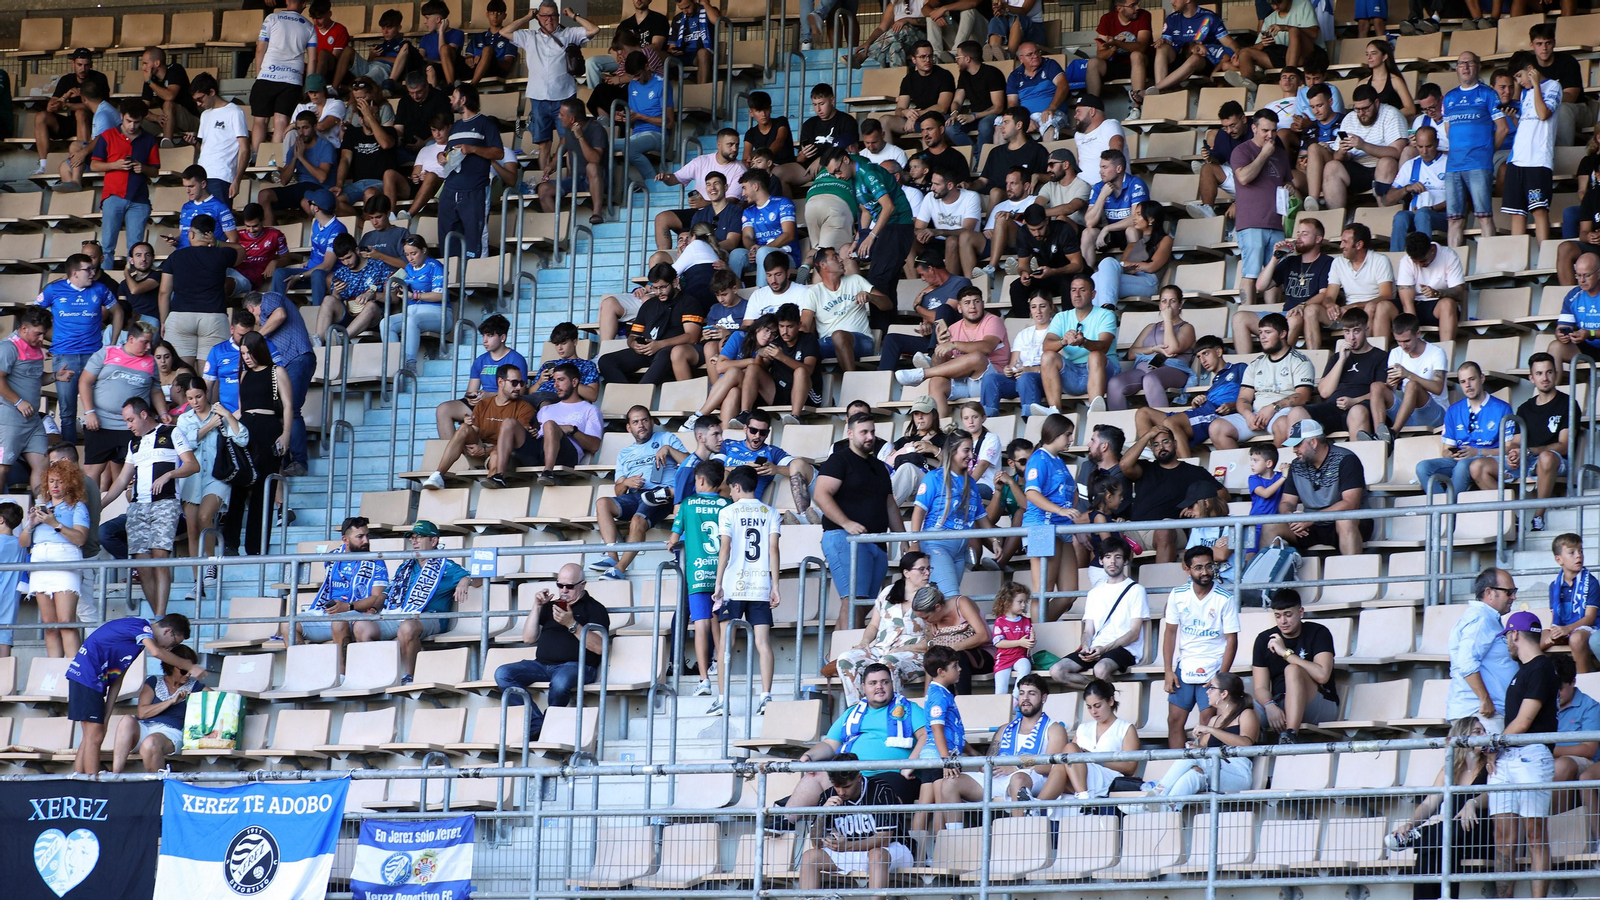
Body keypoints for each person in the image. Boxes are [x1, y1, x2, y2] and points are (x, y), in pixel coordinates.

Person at [787, 663, 927, 817]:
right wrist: (809, 756)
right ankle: (785, 822)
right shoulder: (852, 713)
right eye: (873, 683)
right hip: (851, 776)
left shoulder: (910, 709)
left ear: (891, 684)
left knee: (881, 791)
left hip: (892, 774)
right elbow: (830, 744)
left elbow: (927, 735)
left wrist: (910, 764)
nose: (879, 687)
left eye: (885, 682)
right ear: (863, 687)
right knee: (814, 776)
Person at [66, 613, 198, 775]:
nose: (170, 649)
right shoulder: (141, 627)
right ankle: (91, 783)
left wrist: (107, 714)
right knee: (95, 737)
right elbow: (156, 652)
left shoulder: (138, 642)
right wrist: (189, 666)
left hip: (91, 680)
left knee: (91, 735)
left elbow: (118, 677)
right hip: (87, 677)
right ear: (168, 631)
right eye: (174, 643)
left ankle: (79, 778)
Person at [103, 396, 199, 617]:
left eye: (130, 420)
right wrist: (100, 505)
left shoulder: (171, 432)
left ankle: (161, 616)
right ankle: (158, 617)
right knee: (143, 565)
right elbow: (121, 480)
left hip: (165, 503)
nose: (128, 426)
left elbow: (193, 465)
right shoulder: (133, 443)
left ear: (144, 414)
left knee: (159, 559)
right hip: (138, 506)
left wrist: (170, 474)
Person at [496, 562, 610, 739]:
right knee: (503, 673)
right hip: (542, 665)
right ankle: (537, 723)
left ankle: (549, 724)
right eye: (560, 585)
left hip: (578, 666)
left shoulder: (595, 608)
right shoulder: (551, 606)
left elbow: (600, 647)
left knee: (560, 682)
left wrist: (571, 624)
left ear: (582, 585)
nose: (564, 590)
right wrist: (537, 606)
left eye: (569, 586)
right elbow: (528, 638)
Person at [1390, 716, 1496, 900]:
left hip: (1480, 833)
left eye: (1484, 731)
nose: (1484, 735)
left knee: (1438, 837)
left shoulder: (1491, 763)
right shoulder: (1450, 768)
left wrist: (1472, 802)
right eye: (1477, 732)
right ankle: (1420, 837)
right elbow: (1429, 803)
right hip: (1451, 836)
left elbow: (1495, 794)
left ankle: (1420, 836)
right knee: (1430, 849)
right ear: (1462, 736)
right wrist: (1410, 824)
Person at [1492, 611, 1557, 900]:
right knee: (1503, 837)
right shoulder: (1525, 670)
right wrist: (1496, 748)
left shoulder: (1541, 667)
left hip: (1530, 755)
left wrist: (1491, 746)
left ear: (1515, 634)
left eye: (1506, 636)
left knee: (1535, 834)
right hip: (1509, 756)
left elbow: (1523, 721)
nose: (1507, 642)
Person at [817, 414, 903, 630]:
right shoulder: (839, 460)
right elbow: (820, 494)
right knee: (853, 602)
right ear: (850, 433)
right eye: (864, 432)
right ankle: (849, 651)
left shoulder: (879, 467)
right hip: (846, 538)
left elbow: (890, 505)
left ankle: (835, 651)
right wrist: (846, 523)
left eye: (872, 432)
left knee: (861, 606)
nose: (870, 437)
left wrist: (904, 539)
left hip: (876, 543)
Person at [708, 464, 782, 714]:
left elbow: (725, 549)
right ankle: (766, 697)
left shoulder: (728, 512)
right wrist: (775, 585)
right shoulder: (771, 512)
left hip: (733, 586)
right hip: (760, 585)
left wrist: (718, 583)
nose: (730, 493)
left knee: (725, 643)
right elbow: (773, 550)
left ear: (737, 487)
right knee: (763, 642)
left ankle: (722, 699)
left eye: (731, 489)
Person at [366, 520, 477, 681]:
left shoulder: (446, 566)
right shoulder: (406, 566)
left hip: (430, 616)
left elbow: (477, 579)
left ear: (434, 541)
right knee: (362, 626)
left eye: (420, 537)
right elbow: (386, 593)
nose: (414, 541)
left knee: (407, 627)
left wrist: (466, 580)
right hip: (398, 615)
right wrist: (373, 610)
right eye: (413, 538)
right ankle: (374, 675)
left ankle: (410, 676)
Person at [1137, 672, 1259, 811]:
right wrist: (1194, 746)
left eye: (1211, 688)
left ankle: (1158, 791)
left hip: (1238, 774)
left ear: (1224, 694)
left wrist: (1211, 730)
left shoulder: (1246, 714)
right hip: (1215, 770)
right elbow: (1203, 750)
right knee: (1194, 774)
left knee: (1193, 758)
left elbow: (1246, 743)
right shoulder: (1214, 720)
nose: (1207, 692)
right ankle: (1168, 808)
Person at [797, 753, 915, 895]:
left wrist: (847, 846)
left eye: (846, 786)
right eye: (837, 786)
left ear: (859, 777)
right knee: (810, 857)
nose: (841, 792)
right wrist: (822, 813)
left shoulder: (881, 790)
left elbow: (884, 839)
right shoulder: (828, 796)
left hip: (893, 850)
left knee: (877, 855)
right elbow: (816, 843)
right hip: (850, 851)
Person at [590, 407, 687, 580]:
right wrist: (626, 482)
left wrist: (668, 449)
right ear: (629, 428)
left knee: (637, 519)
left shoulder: (666, 438)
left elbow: (691, 463)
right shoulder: (624, 453)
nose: (641, 425)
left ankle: (619, 569)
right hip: (635, 494)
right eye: (635, 422)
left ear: (652, 422)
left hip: (661, 494)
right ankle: (612, 556)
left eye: (644, 420)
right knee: (602, 503)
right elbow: (619, 490)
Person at [175, 374, 247, 600]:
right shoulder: (184, 419)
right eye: (190, 398)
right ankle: (197, 583)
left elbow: (243, 438)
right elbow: (185, 444)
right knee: (192, 528)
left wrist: (227, 416)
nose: (195, 402)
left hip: (217, 476)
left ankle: (211, 563)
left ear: (206, 393)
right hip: (192, 478)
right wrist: (209, 426)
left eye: (198, 396)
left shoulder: (220, 413)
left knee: (205, 516)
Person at [503, 2, 597, 173]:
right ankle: (545, 180)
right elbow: (504, 32)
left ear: (558, 16)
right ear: (538, 17)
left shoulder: (569, 34)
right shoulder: (529, 36)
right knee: (543, 144)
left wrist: (574, 16)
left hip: (564, 98)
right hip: (538, 98)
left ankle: (570, 181)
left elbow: (594, 30)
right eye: (545, 15)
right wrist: (527, 17)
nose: (549, 19)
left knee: (570, 142)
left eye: (553, 15)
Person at [280, 516, 386, 663]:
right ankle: (303, 669)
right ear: (345, 540)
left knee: (339, 620)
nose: (366, 541)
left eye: (367, 536)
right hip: (327, 614)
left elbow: (377, 597)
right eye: (360, 537)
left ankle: (342, 673)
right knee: (287, 624)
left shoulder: (376, 561)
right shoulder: (332, 558)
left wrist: (348, 606)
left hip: (356, 614)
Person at [1162, 545, 1239, 747]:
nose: (1205, 572)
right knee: (1174, 721)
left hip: (1213, 667)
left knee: (1207, 723)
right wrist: (1168, 670)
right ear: (1187, 569)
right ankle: (1179, 764)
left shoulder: (1225, 598)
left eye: (1209, 566)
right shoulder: (1177, 595)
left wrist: (1221, 677)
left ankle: (1203, 765)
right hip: (1185, 665)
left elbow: (1232, 640)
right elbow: (1170, 632)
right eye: (1198, 568)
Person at [37, 254, 118, 446]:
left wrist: (112, 345)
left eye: (93, 268)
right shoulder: (54, 289)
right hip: (64, 356)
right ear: (74, 273)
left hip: (94, 356)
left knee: (99, 407)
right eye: (88, 269)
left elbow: (118, 312)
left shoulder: (100, 288)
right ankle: (69, 455)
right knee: (67, 411)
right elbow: (34, 314)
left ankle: (97, 451)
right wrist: (39, 342)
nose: (93, 272)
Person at [1120, 425, 1226, 563]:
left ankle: (1164, 577)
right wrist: (1147, 435)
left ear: (1175, 444)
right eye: (1156, 444)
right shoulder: (1145, 468)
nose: (1161, 447)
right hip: (1136, 530)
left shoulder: (1194, 472)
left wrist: (1195, 505)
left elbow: (1222, 494)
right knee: (1106, 532)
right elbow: (1124, 465)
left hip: (1171, 532)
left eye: (1165, 442)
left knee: (1164, 529)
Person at [80, 322, 165, 495]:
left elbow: (156, 391)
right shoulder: (107, 353)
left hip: (133, 427)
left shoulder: (150, 362)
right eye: (145, 342)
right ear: (131, 339)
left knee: (133, 473)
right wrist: (90, 412)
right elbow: (85, 382)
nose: (149, 347)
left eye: (151, 343)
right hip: (101, 423)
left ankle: (130, 509)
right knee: (92, 472)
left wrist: (163, 412)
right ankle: (91, 509)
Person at [1051, 538, 1148, 689]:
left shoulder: (1136, 590)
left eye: (1118, 557)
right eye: (1108, 557)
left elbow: (1134, 633)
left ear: (1125, 561)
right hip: (1096, 648)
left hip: (1125, 649)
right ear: (1101, 561)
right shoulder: (1094, 593)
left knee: (1100, 669)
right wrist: (1086, 646)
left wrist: (1104, 649)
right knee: (1057, 671)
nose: (1112, 562)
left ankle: (1106, 694)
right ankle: (1100, 692)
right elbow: (1088, 630)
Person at [1209, 312, 1315, 449]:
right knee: (1217, 427)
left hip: (1282, 413)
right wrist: (1248, 415)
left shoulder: (1300, 361)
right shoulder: (1255, 364)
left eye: (1268, 332)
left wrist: (1273, 408)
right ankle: (1245, 463)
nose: (1262, 337)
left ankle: (1278, 463)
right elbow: (1243, 398)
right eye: (1260, 333)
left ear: (1282, 334)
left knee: (1283, 424)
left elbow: (1303, 396)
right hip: (1255, 415)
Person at [422, 361, 533, 491]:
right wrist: (468, 426)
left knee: (496, 454)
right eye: (514, 383)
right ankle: (438, 475)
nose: (519, 387)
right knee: (464, 428)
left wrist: (485, 451)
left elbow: (516, 444)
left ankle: (493, 482)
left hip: (504, 454)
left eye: (521, 383)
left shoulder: (525, 408)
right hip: (480, 452)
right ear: (500, 382)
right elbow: (474, 431)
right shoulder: (483, 404)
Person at [669, 458, 729, 698]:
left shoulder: (688, 503)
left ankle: (704, 680)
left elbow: (674, 538)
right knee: (719, 622)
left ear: (701, 480)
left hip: (697, 573)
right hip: (722, 574)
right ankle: (719, 667)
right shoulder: (727, 504)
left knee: (701, 624)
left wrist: (671, 543)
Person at [21, 458, 93, 659]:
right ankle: (53, 670)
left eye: (60, 481)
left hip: (65, 563)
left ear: (70, 483)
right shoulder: (42, 507)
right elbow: (23, 543)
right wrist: (31, 525)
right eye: (51, 481)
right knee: (49, 624)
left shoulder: (77, 507)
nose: (55, 486)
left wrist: (55, 524)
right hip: (40, 564)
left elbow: (80, 538)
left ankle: (74, 670)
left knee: (66, 622)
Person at [1249, 588, 1337, 743]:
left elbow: (1322, 675)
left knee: (1292, 669)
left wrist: (1286, 653)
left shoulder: (1318, 632)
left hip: (1319, 703)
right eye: (1278, 616)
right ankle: (1239, 750)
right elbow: (1260, 687)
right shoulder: (1264, 639)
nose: (1283, 621)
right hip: (1278, 704)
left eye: (1288, 615)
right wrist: (1269, 705)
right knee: (1240, 703)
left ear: (1301, 612)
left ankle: (1290, 735)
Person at [598, 264, 707, 386]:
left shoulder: (688, 303)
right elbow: (633, 335)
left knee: (664, 354)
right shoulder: (649, 305)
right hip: (648, 350)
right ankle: (626, 393)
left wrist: (660, 344)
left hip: (671, 350)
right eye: (655, 288)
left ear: (675, 282)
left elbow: (692, 337)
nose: (659, 292)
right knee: (606, 361)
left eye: (663, 287)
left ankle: (641, 393)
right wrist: (634, 344)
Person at [1415, 362, 1516, 494]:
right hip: (1459, 461)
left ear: (1482, 378)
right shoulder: (1453, 410)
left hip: (1486, 460)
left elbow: (1509, 448)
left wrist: (1478, 452)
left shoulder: (1502, 408)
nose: (1467, 385)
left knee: (1463, 465)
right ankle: (1441, 504)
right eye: (1463, 382)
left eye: (1472, 379)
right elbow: (1445, 451)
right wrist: (1453, 453)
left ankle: (1446, 506)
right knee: (1423, 467)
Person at [909, 433, 986, 596]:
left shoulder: (971, 482)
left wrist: (995, 541)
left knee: (942, 599)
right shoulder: (934, 477)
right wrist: (915, 542)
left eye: (972, 451)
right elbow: (918, 512)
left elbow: (981, 516)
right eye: (966, 450)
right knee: (951, 596)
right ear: (952, 451)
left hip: (960, 551)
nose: (971, 456)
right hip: (936, 545)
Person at [1308, 85, 1406, 212]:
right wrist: (1342, 152)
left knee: (1386, 162)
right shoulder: (1350, 118)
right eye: (1357, 109)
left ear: (1376, 103)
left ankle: (1385, 213)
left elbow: (1397, 152)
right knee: (1332, 166)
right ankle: (1335, 217)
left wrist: (1364, 146)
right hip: (1357, 167)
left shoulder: (1391, 114)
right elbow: (1337, 157)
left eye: (1365, 108)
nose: (1361, 113)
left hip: (1384, 167)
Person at [1442, 52, 1505, 248]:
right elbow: (1448, 130)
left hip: (1478, 164)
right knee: (1454, 219)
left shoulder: (1488, 94)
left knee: (1483, 216)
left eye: (1470, 63)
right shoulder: (1449, 97)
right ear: (1457, 68)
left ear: (1478, 66)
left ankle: (1489, 260)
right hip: (1453, 166)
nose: (1466, 67)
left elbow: (1503, 128)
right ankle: (1454, 263)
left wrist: (1487, 152)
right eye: (1462, 63)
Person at [110, 642, 203, 773]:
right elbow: (142, 713)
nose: (187, 675)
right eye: (184, 670)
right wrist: (171, 701)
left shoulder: (196, 687)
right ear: (171, 666)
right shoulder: (154, 681)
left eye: (190, 671)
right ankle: (115, 775)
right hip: (145, 727)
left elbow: (220, 699)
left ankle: (156, 783)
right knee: (126, 720)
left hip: (171, 732)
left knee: (151, 743)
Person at [1232, 111, 1294, 306]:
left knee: (1275, 276)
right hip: (1251, 222)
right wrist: (1264, 154)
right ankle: (1246, 315)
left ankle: (1273, 317)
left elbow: (1286, 182)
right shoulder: (1242, 150)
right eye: (1265, 130)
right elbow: (1244, 177)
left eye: (1273, 131)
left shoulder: (1280, 153)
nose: (1270, 135)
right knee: (1250, 273)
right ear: (1254, 128)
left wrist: (1289, 187)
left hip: (1275, 222)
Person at [90, 100, 161, 261]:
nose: (132, 126)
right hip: (113, 195)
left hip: (139, 199)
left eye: (137, 122)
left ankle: (132, 276)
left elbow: (155, 171)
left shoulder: (149, 140)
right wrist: (114, 165)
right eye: (129, 121)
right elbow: (93, 165)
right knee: (107, 247)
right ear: (121, 116)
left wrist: (143, 168)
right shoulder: (108, 136)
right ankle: (107, 277)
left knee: (136, 249)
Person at [1038, 275, 1117, 414]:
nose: (1077, 294)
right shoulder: (1061, 317)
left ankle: (1095, 410)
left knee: (1095, 355)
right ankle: (1055, 412)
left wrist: (1083, 342)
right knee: (1048, 356)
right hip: (1073, 373)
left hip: (1103, 371)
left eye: (1082, 290)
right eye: (1073, 290)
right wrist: (1063, 341)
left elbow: (1104, 346)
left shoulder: (1105, 315)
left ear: (1093, 294)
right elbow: (1046, 346)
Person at [1504, 50, 1560, 243]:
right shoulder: (1525, 94)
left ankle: (1543, 254)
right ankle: (1517, 257)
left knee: (1539, 209)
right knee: (1516, 212)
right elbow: (1525, 124)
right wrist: (1513, 117)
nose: (1519, 82)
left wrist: (1536, 85)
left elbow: (1543, 114)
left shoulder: (1553, 86)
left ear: (1531, 69)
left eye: (1520, 76)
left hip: (1538, 160)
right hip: (1517, 158)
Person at [1107, 283, 1190, 411]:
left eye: (1172, 301)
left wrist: (1167, 320)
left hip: (1173, 370)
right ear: (1160, 304)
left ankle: (1163, 422)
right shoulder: (1151, 327)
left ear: (1180, 304)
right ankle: (1117, 423)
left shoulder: (1186, 327)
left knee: (1150, 379)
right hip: (1144, 370)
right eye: (1164, 301)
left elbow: (1171, 349)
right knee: (1115, 383)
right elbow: (1131, 353)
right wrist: (1152, 349)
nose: (1167, 305)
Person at [1057, 678, 1141, 800]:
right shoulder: (1082, 728)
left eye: (1097, 706)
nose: (1093, 712)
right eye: (1089, 707)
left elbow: (1130, 767)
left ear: (1111, 701)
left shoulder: (1125, 728)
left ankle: (1041, 803)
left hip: (1108, 779)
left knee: (1069, 750)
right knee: (1062, 763)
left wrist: (1094, 758)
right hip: (1082, 777)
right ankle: (1038, 803)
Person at [31, 48, 109, 176]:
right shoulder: (66, 80)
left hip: (91, 123)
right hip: (69, 123)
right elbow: (50, 108)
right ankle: (43, 166)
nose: (83, 69)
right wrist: (65, 96)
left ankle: (82, 162)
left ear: (91, 65)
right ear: (73, 63)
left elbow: (99, 106)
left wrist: (66, 105)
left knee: (80, 113)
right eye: (79, 65)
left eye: (86, 65)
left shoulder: (99, 78)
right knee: (41, 116)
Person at [0, 308, 52, 496]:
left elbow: (35, 378)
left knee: (43, 464)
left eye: (44, 334)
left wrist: (56, 376)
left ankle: (41, 508)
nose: (41, 338)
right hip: (10, 418)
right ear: (24, 328)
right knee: (2, 467)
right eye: (38, 333)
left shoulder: (36, 347)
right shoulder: (8, 348)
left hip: (32, 420)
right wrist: (18, 401)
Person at [1517, 353, 1571, 532]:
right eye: (1539, 373)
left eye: (1549, 372)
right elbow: (1515, 443)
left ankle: (1538, 516)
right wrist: (1514, 453)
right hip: (1527, 459)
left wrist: (1532, 451)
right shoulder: (1524, 408)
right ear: (1531, 378)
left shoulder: (1568, 403)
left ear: (1556, 374)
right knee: (1479, 467)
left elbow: (1564, 446)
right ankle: (1513, 519)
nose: (1545, 378)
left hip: (1557, 461)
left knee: (1546, 457)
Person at [981, 290, 1052, 416]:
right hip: (1022, 378)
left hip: (1046, 379)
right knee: (990, 379)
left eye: (1042, 306)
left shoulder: (1057, 330)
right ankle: (987, 419)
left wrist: (1030, 370)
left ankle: (1031, 420)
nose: (1038, 311)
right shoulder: (1023, 334)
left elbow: (1059, 365)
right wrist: (1009, 370)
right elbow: (1013, 363)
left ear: (1051, 308)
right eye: (1034, 307)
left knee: (1026, 378)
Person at [1007, 204, 1084, 320]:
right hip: (1046, 275)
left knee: (1068, 284)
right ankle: (1025, 324)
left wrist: (1053, 271)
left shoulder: (1063, 230)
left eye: (1040, 228)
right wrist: (1024, 274)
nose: (1037, 233)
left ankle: (1069, 324)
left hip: (1069, 275)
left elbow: (1078, 265)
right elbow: (1023, 265)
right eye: (1032, 230)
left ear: (1047, 220)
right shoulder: (1024, 233)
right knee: (1016, 286)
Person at [1149, 0, 1236, 96]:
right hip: (1180, 57)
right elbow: (1166, 41)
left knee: (1194, 57)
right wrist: (1162, 41)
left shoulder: (1209, 17)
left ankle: (1156, 89)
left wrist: (1238, 52)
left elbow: (1228, 42)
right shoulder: (1172, 19)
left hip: (1204, 60)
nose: (1171, 2)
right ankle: (1160, 93)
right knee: (1161, 48)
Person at [1081, 150, 1150, 268]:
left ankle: (1134, 270)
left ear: (1119, 168)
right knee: (1087, 233)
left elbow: (1136, 219)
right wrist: (1102, 196)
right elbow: (1090, 222)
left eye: (1105, 167)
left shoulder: (1136, 184)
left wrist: (1107, 228)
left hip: (1128, 230)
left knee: (1132, 230)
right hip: (1111, 234)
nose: (1100, 171)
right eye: (1101, 167)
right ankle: (1086, 274)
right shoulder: (1099, 187)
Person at [1386, 127, 1449, 251]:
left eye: (1429, 146)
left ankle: (1422, 254)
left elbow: (1459, 197)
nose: (1424, 151)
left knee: (1422, 214)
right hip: (1416, 214)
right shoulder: (1411, 165)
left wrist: (1432, 208)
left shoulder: (1448, 163)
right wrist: (1407, 189)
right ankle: (1395, 257)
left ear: (1437, 142)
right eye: (1420, 147)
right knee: (1400, 216)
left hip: (1443, 216)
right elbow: (1388, 199)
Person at [1546, 533, 1600, 672]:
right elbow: (1555, 617)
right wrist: (1556, 631)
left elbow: (1590, 618)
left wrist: (1568, 629)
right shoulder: (1554, 586)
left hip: (1591, 628)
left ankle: (1582, 679)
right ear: (1559, 559)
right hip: (1566, 628)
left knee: (1576, 638)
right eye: (1572, 552)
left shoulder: (1591, 582)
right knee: (1539, 639)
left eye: (1581, 551)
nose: (1578, 556)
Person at [1088, 0, 1152, 102]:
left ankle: (1137, 104)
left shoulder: (1144, 15)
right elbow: (1100, 54)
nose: (1137, 8)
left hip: (1141, 65)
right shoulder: (1107, 19)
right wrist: (1114, 47)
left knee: (1136, 55)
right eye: (1132, 5)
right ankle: (1091, 105)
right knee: (1093, 63)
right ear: (1119, 8)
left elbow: (1141, 47)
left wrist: (1117, 43)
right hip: (1117, 65)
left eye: (1137, 3)